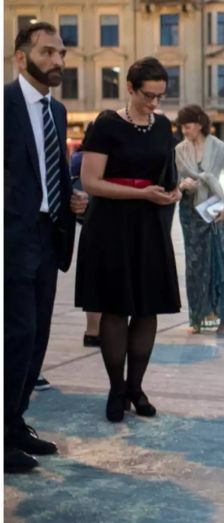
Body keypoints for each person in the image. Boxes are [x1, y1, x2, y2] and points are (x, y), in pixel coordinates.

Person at [75, 57, 182, 423]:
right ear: (130, 88)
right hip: (111, 225)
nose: (154, 103)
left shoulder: (164, 125)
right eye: (147, 96)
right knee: (116, 307)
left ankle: (136, 387)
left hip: (150, 225)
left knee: (148, 307)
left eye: (159, 96)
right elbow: (91, 182)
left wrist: (173, 193)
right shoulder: (106, 124)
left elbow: (167, 176)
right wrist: (142, 195)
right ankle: (115, 388)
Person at [5, 21, 88, 473]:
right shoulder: (4, 105)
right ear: (22, 57)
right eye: (48, 52)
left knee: (36, 339)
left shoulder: (56, 111)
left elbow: (49, 172)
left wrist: (72, 197)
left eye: (61, 52)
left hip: (48, 236)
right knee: (14, 338)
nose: (58, 60)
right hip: (11, 240)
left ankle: (15, 424)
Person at [174, 104, 224, 335]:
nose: (184, 130)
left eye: (188, 126)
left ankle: (223, 319)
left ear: (200, 125)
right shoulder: (180, 150)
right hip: (190, 213)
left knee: (218, 263)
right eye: (182, 126)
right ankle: (197, 319)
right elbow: (174, 181)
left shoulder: (219, 147)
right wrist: (182, 185)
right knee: (194, 266)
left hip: (214, 211)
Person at [70, 123, 103, 350]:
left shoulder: (78, 157)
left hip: (89, 224)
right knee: (103, 279)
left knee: (93, 278)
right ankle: (99, 330)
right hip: (105, 222)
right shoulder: (99, 157)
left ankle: (92, 331)